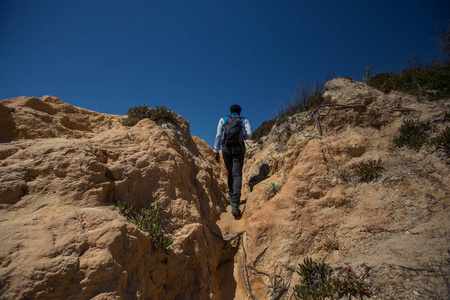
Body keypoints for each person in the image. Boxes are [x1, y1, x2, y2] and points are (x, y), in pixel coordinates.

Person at [214, 104, 252, 217]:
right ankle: (235, 203)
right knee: (237, 174)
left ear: (230, 112)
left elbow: (218, 135)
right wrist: (241, 139)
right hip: (238, 149)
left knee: (230, 172)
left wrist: (216, 151)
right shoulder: (244, 120)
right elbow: (249, 134)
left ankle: (231, 197)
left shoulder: (223, 119)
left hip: (226, 149)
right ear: (240, 112)